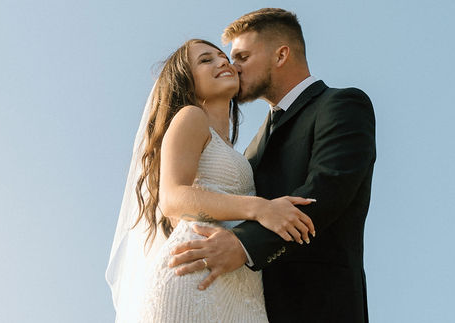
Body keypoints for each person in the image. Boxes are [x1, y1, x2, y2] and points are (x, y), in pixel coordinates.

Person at [169, 8, 376, 322]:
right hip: (245, 305)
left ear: (281, 55)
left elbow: (327, 191)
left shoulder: (341, 105)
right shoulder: (251, 147)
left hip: (321, 306)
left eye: (242, 57)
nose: (231, 66)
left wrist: (244, 245)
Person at [106, 39, 317, 322]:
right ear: (186, 81)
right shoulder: (190, 117)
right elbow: (172, 198)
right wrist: (260, 208)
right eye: (206, 60)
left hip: (236, 283)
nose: (222, 62)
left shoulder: (231, 148)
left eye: (222, 57)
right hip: (192, 277)